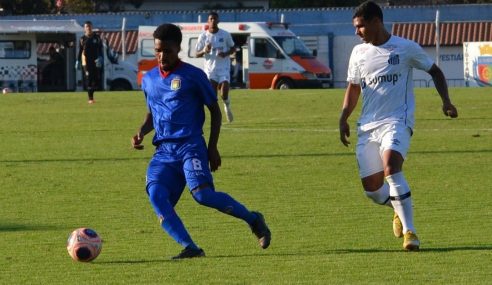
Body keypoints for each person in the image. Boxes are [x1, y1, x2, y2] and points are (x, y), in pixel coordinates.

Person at [131, 23, 271, 259]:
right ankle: (191, 248)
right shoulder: (149, 79)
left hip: (190, 146)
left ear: (178, 49)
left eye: (167, 51)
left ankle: (254, 219)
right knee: (156, 195)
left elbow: (214, 111)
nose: (161, 56)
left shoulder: (194, 76)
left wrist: (212, 148)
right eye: (157, 50)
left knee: (203, 196)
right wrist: (141, 132)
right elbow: (152, 113)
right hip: (164, 151)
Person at [338, 1, 458, 251]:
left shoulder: (405, 48)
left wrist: (446, 101)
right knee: (372, 189)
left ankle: (411, 232)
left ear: (375, 22)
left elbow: (435, 71)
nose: (357, 32)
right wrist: (343, 117)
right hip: (368, 126)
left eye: (360, 26)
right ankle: (396, 206)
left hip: (397, 121)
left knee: (391, 167)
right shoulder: (358, 53)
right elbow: (354, 87)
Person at [195, 12, 236, 123]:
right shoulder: (203, 36)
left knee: (224, 93)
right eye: (211, 19)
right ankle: (217, 117)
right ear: (208, 21)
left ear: (218, 21)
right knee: (212, 97)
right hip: (210, 70)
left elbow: (233, 48)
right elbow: (196, 54)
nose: (213, 21)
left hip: (223, 69)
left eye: (215, 19)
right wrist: (204, 50)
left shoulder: (225, 34)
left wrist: (226, 53)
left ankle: (227, 106)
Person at [76, 21, 103, 104]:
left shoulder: (97, 38)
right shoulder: (82, 39)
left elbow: (100, 49)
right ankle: (90, 98)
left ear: (92, 27)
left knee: (96, 79)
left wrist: (100, 57)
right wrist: (78, 61)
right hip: (86, 62)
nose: (88, 28)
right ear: (84, 28)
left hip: (95, 61)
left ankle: (92, 95)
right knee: (89, 78)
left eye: (89, 26)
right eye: (86, 26)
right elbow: (80, 51)